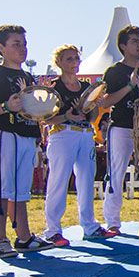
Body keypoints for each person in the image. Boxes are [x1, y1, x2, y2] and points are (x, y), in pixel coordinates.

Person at [0, 25, 55, 257]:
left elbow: (32, 110)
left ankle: (24, 237)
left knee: (20, 190)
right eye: (16, 44)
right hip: (3, 134)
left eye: (24, 44)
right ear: (0, 47)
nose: (23, 49)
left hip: (27, 135)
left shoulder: (27, 76)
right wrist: (5, 107)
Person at [41, 45, 112, 245]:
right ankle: (53, 229)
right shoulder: (54, 88)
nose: (74, 63)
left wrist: (96, 108)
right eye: (69, 59)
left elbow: (91, 118)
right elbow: (46, 118)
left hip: (84, 134)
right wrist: (66, 116)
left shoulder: (84, 88)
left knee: (86, 180)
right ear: (59, 63)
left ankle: (89, 225)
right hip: (63, 134)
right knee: (59, 180)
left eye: (76, 59)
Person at [97, 26, 139, 233]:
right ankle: (113, 222)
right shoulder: (114, 72)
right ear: (123, 46)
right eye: (135, 41)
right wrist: (130, 86)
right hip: (121, 126)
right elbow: (105, 103)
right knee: (116, 172)